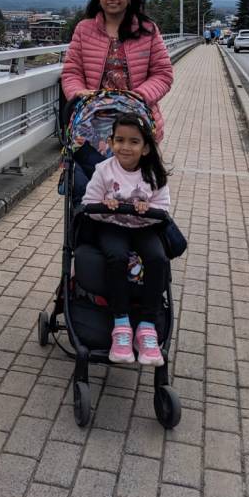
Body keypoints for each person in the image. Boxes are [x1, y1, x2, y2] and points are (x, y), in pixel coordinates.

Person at [82, 113, 171, 365]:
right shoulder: (104, 170)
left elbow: (163, 208)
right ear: (111, 143)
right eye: (120, 140)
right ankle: (121, 323)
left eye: (134, 142)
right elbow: (88, 203)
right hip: (112, 225)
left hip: (144, 227)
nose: (125, 147)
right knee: (117, 256)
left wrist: (147, 210)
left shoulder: (153, 174)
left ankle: (147, 325)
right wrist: (104, 206)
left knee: (157, 258)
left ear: (145, 148)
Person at [61, 0, 173, 142]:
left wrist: (140, 96)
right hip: (91, 122)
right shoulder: (84, 29)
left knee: (134, 160)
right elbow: (71, 72)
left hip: (137, 121)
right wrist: (78, 92)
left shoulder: (148, 29)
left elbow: (163, 74)